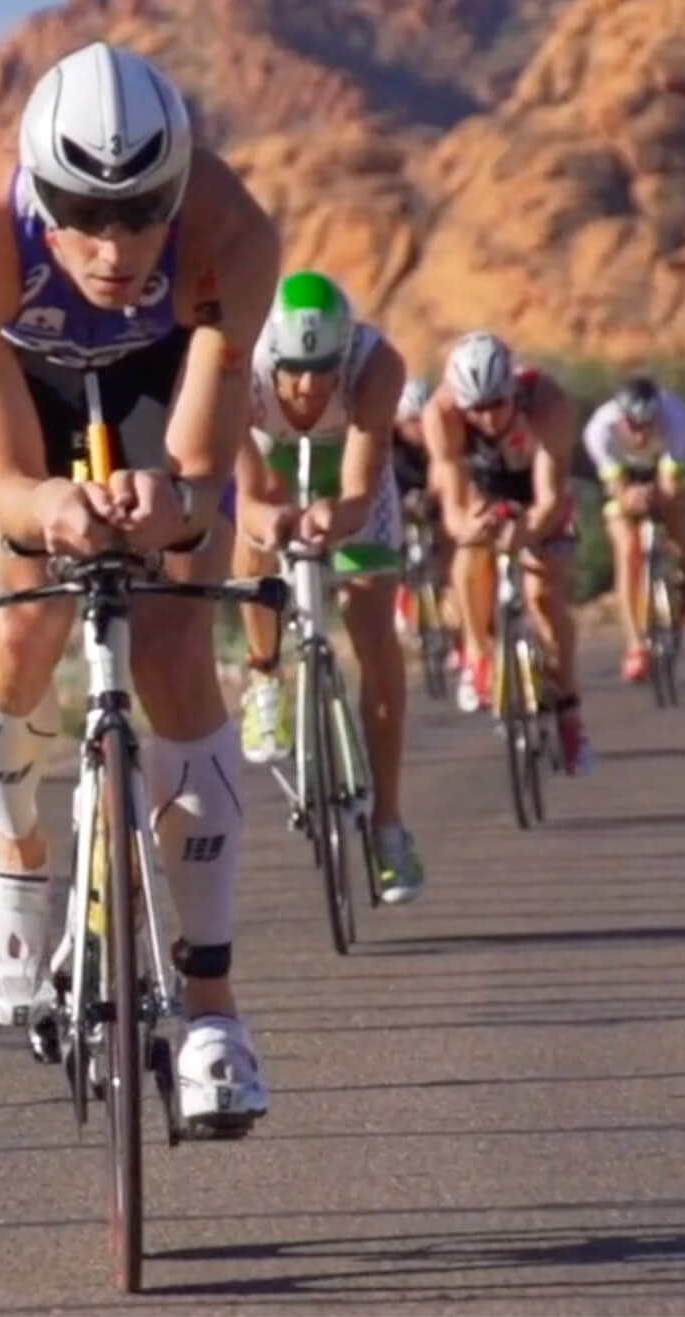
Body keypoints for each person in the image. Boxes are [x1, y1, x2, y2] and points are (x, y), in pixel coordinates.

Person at [0, 40, 280, 1134]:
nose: (112, 246)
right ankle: (16, 845)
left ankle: (213, 1014)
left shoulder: (231, 233)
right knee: (20, 626)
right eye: (79, 210)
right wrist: (44, 508)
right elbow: (9, 475)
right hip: (19, 393)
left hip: (162, 389)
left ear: (179, 184)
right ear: (34, 186)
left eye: (140, 209)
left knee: (172, 651)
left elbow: (204, 466)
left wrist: (178, 507)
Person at [230, 271, 428, 906]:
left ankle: (389, 826)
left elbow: (360, 488)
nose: (311, 384)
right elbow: (247, 497)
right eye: (296, 370)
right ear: (273, 359)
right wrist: (278, 523)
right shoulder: (238, 365)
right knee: (255, 541)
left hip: (346, 473)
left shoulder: (376, 367)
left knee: (373, 624)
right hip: (272, 463)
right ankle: (264, 679)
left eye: (324, 369)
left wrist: (331, 520)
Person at [421, 330, 593, 774]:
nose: (488, 418)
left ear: (514, 389)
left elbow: (551, 497)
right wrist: (470, 527)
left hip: (538, 490)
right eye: (475, 409)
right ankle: (478, 657)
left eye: (497, 404)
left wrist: (525, 532)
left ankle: (569, 711)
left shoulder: (548, 403)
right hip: (484, 487)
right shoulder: (441, 415)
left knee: (543, 595)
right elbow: (454, 508)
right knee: (468, 558)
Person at [581, 375, 685, 681]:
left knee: (678, 511)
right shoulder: (600, 430)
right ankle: (635, 646)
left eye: (647, 425)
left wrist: (663, 496)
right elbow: (615, 485)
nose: (640, 434)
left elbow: (670, 479)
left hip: (663, 471)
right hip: (624, 479)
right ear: (621, 418)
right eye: (633, 427)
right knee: (627, 550)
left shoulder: (675, 416)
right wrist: (628, 497)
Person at [389, 374, 457, 660]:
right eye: (411, 421)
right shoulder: (389, 444)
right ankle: (402, 593)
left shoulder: (440, 436)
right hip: (399, 499)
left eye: (423, 420)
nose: (419, 429)